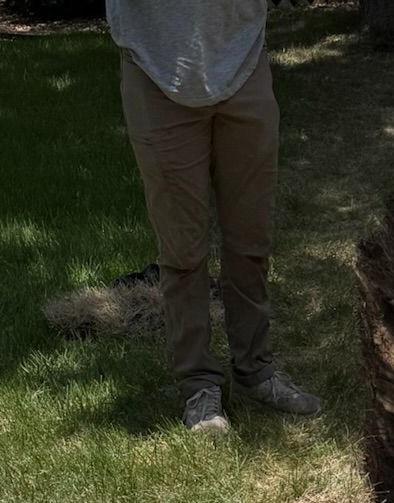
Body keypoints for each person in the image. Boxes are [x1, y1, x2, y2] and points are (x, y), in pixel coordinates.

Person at [106, 0, 321, 434]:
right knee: (183, 247)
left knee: (250, 236)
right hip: (156, 69)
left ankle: (255, 369)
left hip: (243, 60)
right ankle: (198, 385)